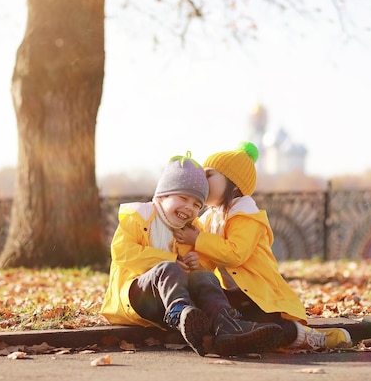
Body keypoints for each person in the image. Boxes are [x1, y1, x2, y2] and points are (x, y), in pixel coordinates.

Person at [99, 151, 283, 357]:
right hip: (138, 298)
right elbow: (122, 252)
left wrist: (198, 264)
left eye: (197, 204)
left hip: (167, 306)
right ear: (163, 195)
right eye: (183, 198)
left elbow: (202, 273)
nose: (189, 207)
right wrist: (171, 260)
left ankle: (227, 327)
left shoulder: (191, 229)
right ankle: (182, 314)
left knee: (205, 277)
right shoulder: (138, 217)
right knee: (168, 268)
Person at [173, 142, 352, 351]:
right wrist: (196, 261)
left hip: (257, 295)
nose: (202, 180)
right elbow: (211, 259)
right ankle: (232, 337)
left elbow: (235, 254)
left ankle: (308, 337)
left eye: (209, 175)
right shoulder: (210, 218)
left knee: (271, 324)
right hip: (232, 296)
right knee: (211, 302)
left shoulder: (246, 215)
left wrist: (198, 240)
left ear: (234, 183)